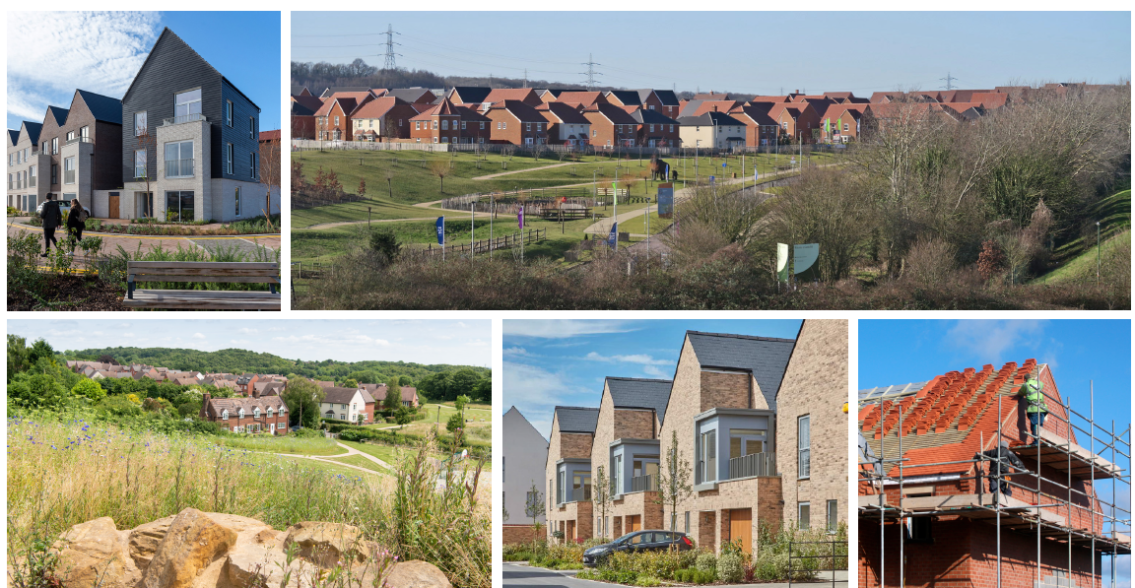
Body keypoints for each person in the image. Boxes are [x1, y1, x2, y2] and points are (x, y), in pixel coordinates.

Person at [1018, 374, 1048, 444]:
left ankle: (1037, 441)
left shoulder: (1026, 385)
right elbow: (1042, 385)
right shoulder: (1039, 383)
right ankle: (1040, 441)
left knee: (1035, 424)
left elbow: (1020, 393)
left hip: (1034, 408)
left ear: (1025, 379)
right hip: (1042, 408)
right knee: (1040, 425)